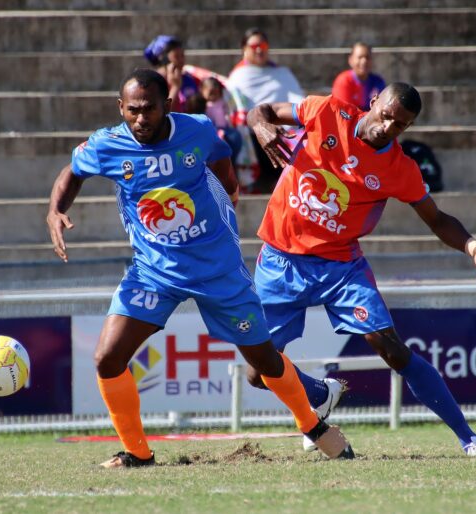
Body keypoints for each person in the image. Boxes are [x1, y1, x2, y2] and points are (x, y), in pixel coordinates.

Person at [46, 68, 353, 467]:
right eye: (133, 110)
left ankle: (314, 426)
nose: (141, 119)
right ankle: (137, 454)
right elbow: (73, 172)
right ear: (120, 108)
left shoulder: (197, 130)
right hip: (153, 271)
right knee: (107, 358)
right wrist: (56, 210)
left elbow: (223, 160)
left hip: (216, 267)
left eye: (150, 110)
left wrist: (228, 196)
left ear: (167, 106)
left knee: (263, 361)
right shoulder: (108, 145)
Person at [246, 83, 476, 457]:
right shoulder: (326, 111)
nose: (388, 127)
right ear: (373, 103)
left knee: (391, 348)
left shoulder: (399, 169)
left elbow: (435, 218)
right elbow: (263, 111)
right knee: (258, 372)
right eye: (386, 115)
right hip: (280, 260)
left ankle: (470, 439)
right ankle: (319, 394)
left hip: (341, 265)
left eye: (400, 125)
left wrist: (471, 246)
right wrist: (261, 127)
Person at [227, 28, 305, 193]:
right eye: (254, 45)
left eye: (262, 44)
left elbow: (299, 101)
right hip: (255, 132)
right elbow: (237, 110)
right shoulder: (238, 76)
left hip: (286, 128)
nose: (259, 49)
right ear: (244, 49)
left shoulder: (282, 73)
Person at [144, 35, 199, 113]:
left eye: (182, 56)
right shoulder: (153, 82)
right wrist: (175, 87)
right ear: (163, 58)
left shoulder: (188, 79)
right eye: (176, 56)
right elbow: (161, 114)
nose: (181, 60)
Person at [201, 76, 243, 170]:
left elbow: (232, 109)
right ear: (202, 92)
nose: (214, 96)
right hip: (214, 131)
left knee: (236, 138)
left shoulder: (223, 101)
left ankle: (232, 162)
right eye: (211, 93)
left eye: (216, 92)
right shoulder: (204, 106)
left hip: (227, 129)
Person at [332, 42, 386, 111]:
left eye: (367, 57)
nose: (364, 61)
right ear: (351, 60)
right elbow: (343, 112)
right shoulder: (343, 81)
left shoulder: (378, 82)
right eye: (360, 57)